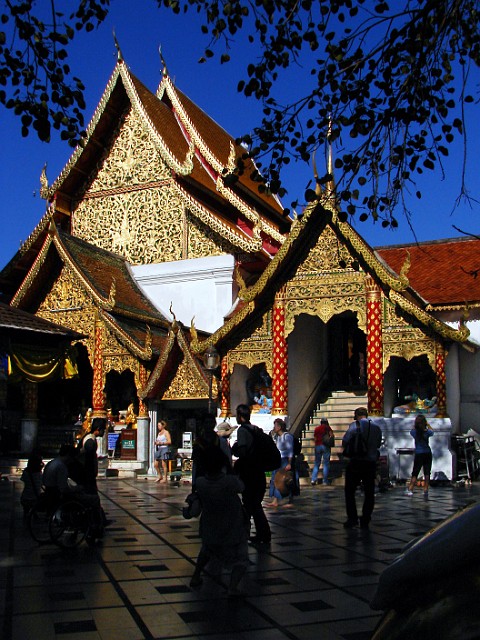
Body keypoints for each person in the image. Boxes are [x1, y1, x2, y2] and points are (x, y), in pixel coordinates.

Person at [189, 445, 248, 597]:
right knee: (240, 558)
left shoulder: (201, 483)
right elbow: (241, 487)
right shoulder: (230, 482)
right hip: (231, 525)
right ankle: (232, 587)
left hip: (210, 524)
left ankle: (196, 575)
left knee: (206, 551)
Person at [231, 403, 271, 546]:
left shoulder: (243, 431)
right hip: (258, 470)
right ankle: (261, 533)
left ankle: (253, 533)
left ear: (241, 417)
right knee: (254, 505)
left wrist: (234, 449)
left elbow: (242, 451)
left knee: (251, 504)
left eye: (237, 415)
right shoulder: (255, 429)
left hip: (249, 471)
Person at [342, 407, 382, 529]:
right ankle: (366, 518)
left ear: (357, 416)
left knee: (350, 491)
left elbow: (345, 441)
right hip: (370, 463)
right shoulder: (376, 427)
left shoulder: (355, 426)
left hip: (356, 462)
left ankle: (352, 518)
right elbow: (379, 444)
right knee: (369, 492)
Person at [192, 414, 231, 487]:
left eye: (211, 422)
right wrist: (194, 481)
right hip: (202, 477)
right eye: (206, 423)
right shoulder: (198, 442)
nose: (209, 425)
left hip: (218, 477)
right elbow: (195, 463)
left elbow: (228, 460)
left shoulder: (221, 441)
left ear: (214, 424)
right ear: (203, 424)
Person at [268, 418, 296, 507]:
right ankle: (275, 500)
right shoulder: (278, 437)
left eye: (275, 426)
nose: (274, 428)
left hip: (285, 459)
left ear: (279, 427)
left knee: (287, 479)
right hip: (278, 459)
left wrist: (289, 463)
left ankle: (290, 500)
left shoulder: (287, 436)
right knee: (276, 479)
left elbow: (290, 450)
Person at [405, 414, 434, 498]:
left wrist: (416, 425)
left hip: (419, 453)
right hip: (427, 452)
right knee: (427, 472)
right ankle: (426, 489)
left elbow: (411, 431)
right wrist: (427, 425)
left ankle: (411, 488)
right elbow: (432, 432)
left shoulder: (415, 432)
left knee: (415, 472)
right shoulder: (427, 432)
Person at [20, 451, 44, 515]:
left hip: (25, 497)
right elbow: (41, 483)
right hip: (35, 498)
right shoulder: (39, 473)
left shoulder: (26, 472)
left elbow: (23, 479)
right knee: (34, 513)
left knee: (26, 513)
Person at [311, 418, 333, 486]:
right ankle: (325, 480)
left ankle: (313, 479)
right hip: (325, 446)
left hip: (318, 446)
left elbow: (315, 438)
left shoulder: (317, 428)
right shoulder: (328, 428)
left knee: (317, 463)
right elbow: (331, 435)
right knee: (326, 463)